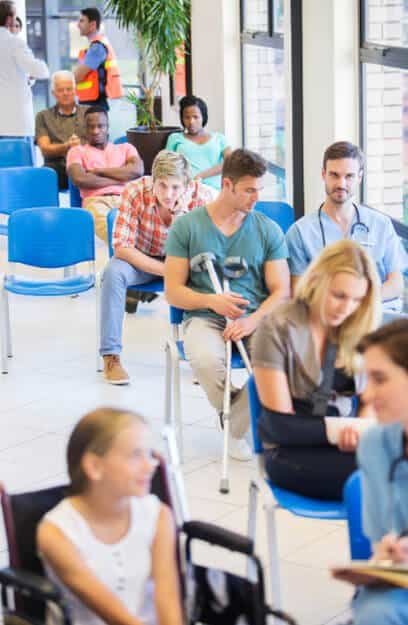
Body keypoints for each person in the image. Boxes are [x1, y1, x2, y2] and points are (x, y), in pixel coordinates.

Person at [165, 148, 290, 461]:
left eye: (259, 190)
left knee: (279, 359)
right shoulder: (187, 227)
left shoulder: (267, 230)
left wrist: (252, 321)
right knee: (206, 362)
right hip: (205, 317)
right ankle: (241, 413)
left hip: (255, 317)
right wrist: (212, 301)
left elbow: (281, 291)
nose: (256, 198)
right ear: (227, 185)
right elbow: (173, 291)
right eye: (249, 190)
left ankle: (233, 423)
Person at [252, 240, 381, 500]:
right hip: (289, 452)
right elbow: (281, 427)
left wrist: (361, 431)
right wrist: (342, 430)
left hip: (345, 443)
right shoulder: (275, 328)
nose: (346, 308)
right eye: (339, 295)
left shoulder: (358, 327)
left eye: (357, 300)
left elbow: (370, 401)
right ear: (317, 282)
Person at [37, 407, 183, 625]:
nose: (150, 465)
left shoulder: (158, 516)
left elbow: (168, 600)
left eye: (149, 454)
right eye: (136, 455)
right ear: (94, 466)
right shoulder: (57, 532)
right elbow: (114, 616)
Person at [100, 150, 214, 385]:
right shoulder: (134, 191)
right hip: (141, 259)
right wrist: (167, 272)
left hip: (186, 262)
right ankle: (111, 356)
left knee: (209, 276)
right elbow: (122, 247)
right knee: (113, 272)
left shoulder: (202, 197)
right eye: (162, 186)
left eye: (175, 187)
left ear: (186, 184)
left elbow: (204, 251)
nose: (168, 194)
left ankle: (202, 357)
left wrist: (180, 217)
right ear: (153, 180)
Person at [332, 320, 408, 624]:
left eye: (379, 379)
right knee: (376, 612)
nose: (366, 395)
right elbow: (380, 541)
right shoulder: (375, 446)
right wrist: (391, 551)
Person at [285, 141, 407, 314]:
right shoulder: (300, 233)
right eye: (334, 175)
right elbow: (299, 292)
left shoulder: (381, 225)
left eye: (349, 176)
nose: (341, 183)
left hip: (378, 316)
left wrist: (359, 301)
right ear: (323, 175)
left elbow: (396, 285)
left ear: (360, 177)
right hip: (328, 319)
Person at [66, 106, 143, 242]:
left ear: (107, 127)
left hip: (127, 198)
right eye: (91, 127)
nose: (95, 131)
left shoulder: (125, 148)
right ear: (85, 129)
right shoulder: (76, 151)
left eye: (100, 126)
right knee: (116, 235)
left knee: (146, 230)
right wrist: (122, 178)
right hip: (96, 201)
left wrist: (98, 171)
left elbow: (137, 170)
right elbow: (80, 179)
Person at [0, 0, 49, 139]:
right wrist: (42, 66)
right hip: (14, 121)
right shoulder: (14, 43)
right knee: (18, 159)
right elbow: (40, 71)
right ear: (9, 19)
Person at [165, 95, 232, 190]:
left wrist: (200, 176)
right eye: (187, 117)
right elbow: (166, 166)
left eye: (196, 117)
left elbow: (231, 163)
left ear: (203, 117)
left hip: (213, 191)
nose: (191, 121)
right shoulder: (175, 138)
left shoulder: (219, 138)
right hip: (185, 190)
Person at [35, 71, 87, 190]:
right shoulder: (43, 116)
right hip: (57, 166)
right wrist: (67, 146)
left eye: (69, 89)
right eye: (60, 90)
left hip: (86, 164)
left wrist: (79, 147)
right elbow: (45, 149)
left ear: (75, 90)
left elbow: (99, 143)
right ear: (53, 93)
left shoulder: (89, 113)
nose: (65, 93)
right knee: (43, 176)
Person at [74, 7, 122, 111]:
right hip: (92, 101)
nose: (78, 25)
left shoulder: (97, 47)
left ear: (92, 25)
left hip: (94, 103)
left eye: (82, 21)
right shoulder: (96, 44)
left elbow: (78, 76)